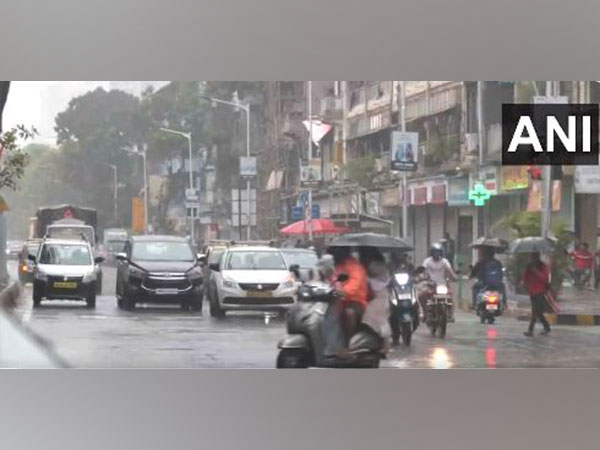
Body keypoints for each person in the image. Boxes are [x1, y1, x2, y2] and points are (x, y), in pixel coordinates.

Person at [330, 246, 369, 343]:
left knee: (349, 313)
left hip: (355, 300)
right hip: (338, 300)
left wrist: (342, 292)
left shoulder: (355, 267)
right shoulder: (337, 266)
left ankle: (349, 340)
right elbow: (332, 279)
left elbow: (355, 284)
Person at [423, 243, 457, 321]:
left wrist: (454, 276)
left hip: (443, 284)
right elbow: (423, 271)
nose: (437, 253)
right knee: (423, 295)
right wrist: (422, 277)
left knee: (450, 296)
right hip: (430, 284)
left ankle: (451, 315)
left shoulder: (444, 261)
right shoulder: (427, 261)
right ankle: (425, 313)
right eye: (435, 252)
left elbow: (450, 270)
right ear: (432, 253)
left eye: (438, 252)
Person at [522, 252, 551, 337]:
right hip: (532, 291)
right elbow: (525, 277)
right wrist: (525, 284)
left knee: (535, 311)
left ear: (537, 257)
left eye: (534, 256)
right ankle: (546, 326)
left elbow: (545, 279)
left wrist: (536, 271)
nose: (532, 258)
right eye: (531, 256)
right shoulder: (529, 266)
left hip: (540, 291)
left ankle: (530, 330)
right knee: (538, 312)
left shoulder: (543, 266)